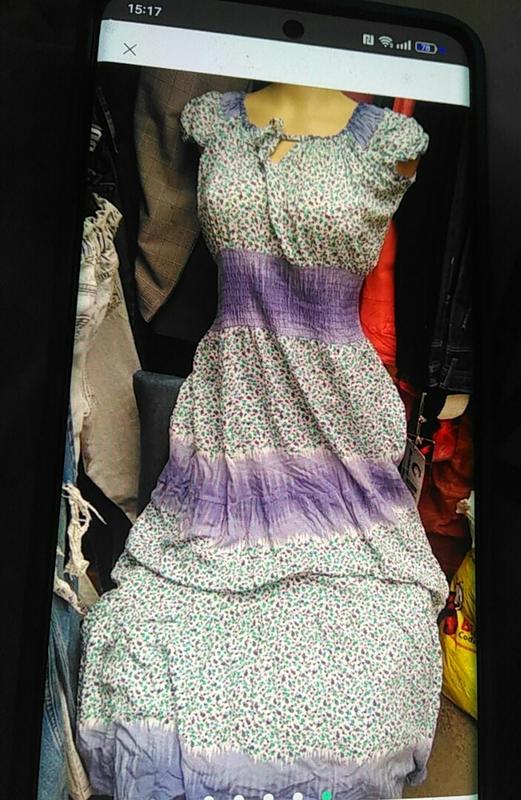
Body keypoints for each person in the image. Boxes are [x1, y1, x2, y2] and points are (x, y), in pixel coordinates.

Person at [76, 81, 449, 800]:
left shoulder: (387, 143)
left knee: (374, 649)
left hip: (339, 422)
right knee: (147, 630)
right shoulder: (216, 121)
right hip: (230, 411)